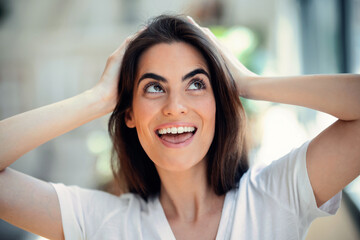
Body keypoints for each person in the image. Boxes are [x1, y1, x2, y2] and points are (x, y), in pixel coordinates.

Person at [0, 15, 359, 240]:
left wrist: (248, 84)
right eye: (154, 88)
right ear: (129, 113)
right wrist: (96, 99)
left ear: (219, 101)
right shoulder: (100, 221)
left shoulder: (278, 194)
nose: (175, 107)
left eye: (196, 84)